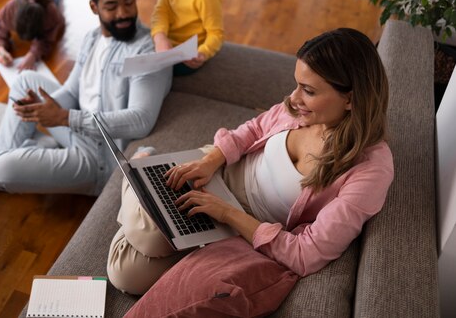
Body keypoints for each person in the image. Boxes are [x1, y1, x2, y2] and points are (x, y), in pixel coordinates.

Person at [107, 28, 394, 295]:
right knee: (151, 239)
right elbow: (254, 129)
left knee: (125, 274)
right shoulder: (302, 111)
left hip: (240, 225)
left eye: (309, 90)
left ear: (350, 100)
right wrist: (211, 160)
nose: (293, 99)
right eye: (297, 85)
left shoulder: (369, 170)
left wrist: (227, 214)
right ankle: (142, 177)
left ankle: (138, 172)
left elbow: (308, 253)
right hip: (221, 171)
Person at [0, 0, 172, 195]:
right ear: (94, 7)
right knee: (25, 80)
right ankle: (1, 159)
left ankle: (1, 171)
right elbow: (71, 91)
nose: (123, 13)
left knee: (2, 170)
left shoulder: (147, 50)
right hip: (74, 127)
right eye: (111, 6)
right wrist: (43, 109)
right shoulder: (92, 38)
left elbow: (141, 120)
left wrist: (64, 117)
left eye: (129, 2)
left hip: (97, 157)